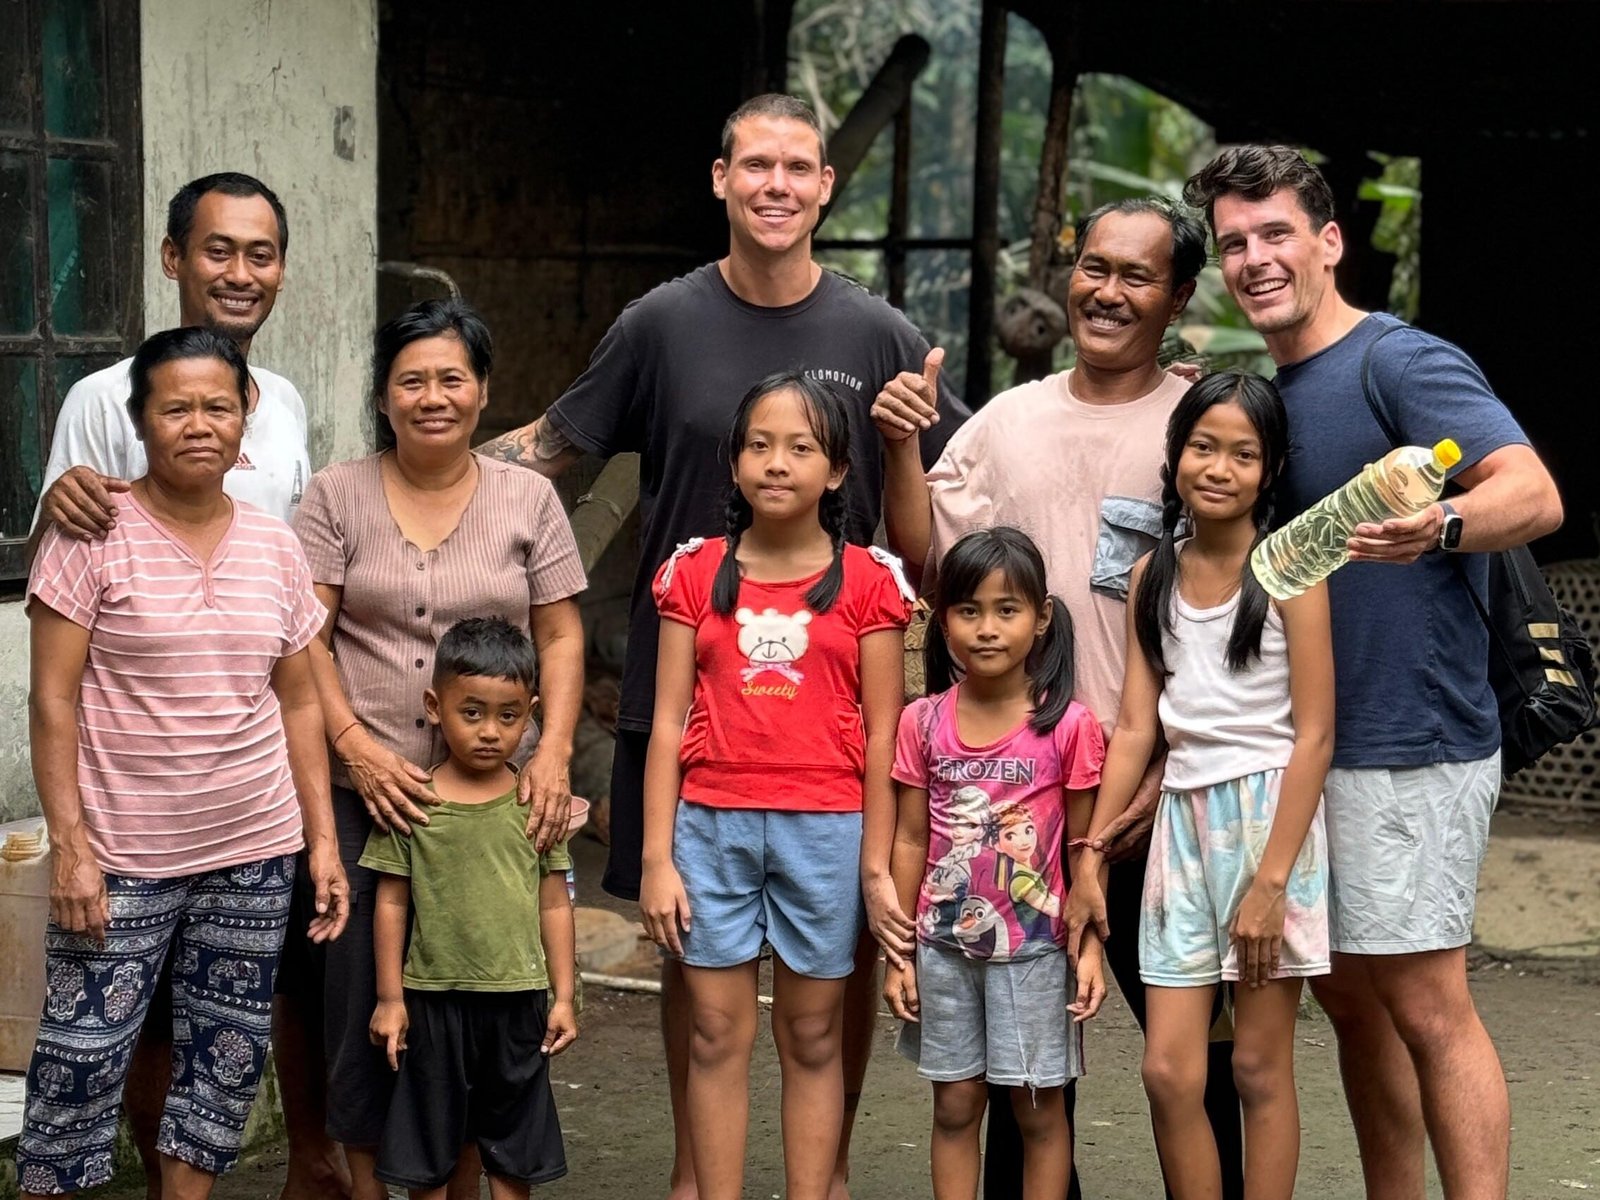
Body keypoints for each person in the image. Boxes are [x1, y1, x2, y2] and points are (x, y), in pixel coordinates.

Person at [476, 92, 964, 1199]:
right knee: (693, 964)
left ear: (826, 187)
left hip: (826, 719)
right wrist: (397, 474)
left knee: (821, 984)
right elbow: (555, 446)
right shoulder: (660, 322)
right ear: (720, 178)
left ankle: (820, 1175)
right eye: (757, 166)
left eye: (799, 167)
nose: (777, 185)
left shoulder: (878, 333)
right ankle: (700, 1179)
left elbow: (954, 491)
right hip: (683, 692)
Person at [1183, 145, 1564, 1200]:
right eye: (1234, 243)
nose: (1256, 258)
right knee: (1350, 998)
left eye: (1275, 234)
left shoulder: (1398, 360)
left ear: (1328, 241)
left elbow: (1532, 494)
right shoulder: (1274, 390)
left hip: (1412, 738)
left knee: (1428, 1002)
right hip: (1312, 747)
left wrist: (1440, 522)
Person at [871, 198, 1246, 1197]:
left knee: (1195, 1066)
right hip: (1020, 813)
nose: (1106, 291)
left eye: (1136, 275)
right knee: (1023, 1084)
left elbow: (1239, 601)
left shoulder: (1203, 426)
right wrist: (901, 444)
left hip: (1166, 798)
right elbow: (931, 559)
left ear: (1177, 298)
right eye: (1092, 267)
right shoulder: (1009, 421)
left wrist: (1166, 759)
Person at [24, 171, 344, 1200]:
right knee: (95, 1046)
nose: (239, 272)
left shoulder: (283, 406)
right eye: (217, 250)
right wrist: (69, 835)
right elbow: (57, 634)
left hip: (248, 825)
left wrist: (318, 828)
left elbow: (292, 651)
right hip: (127, 823)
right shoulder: (96, 402)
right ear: (173, 258)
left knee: (226, 1053)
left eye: (260, 253)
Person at [292, 299, 587, 1200]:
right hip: (368, 792)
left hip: (497, 796)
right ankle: (373, 1182)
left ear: (484, 391)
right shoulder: (336, 495)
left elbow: (563, 636)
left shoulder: (527, 497)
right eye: (411, 380)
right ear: (383, 396)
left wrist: (553, 752)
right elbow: (305, 636)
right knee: (362, 1004)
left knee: (479, 1003)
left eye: (451, 378)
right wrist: (352, 742)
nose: (433, 397)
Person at [637, 372, 912, 1200]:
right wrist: (656, 857)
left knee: (814, 1034)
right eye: (759, 444)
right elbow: (663, 725)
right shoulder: (693, 575)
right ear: (733, 462)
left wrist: (875, 867)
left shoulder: (870, 583)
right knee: (717, 1032)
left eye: (801, 448)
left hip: (827, 833)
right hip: (709, 828)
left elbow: (887, 739)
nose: (777, 462)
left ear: (836, 473)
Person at [1069, 373, 1334, 1198]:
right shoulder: (1152, 573)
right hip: (1181, 827)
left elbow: (1316, 734)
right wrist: (1091, 849)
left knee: (1256, 1068)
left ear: (1272, 467)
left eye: (1243, 454)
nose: (1218, 467)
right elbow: (1138, 727)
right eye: (1202, 446)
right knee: (1169, 1072)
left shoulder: (1293, 570)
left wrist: (1272, 883)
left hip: (1268, 826)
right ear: (1176, 453)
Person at [882, 527, 1107, 1200]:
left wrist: (1088, 949)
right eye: (968, 610)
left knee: (1038, 1110)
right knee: (954, 1107)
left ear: (1040, 618)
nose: (986, 628)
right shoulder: (921, 722)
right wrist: (899, 957)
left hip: (1036, 953)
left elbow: (1083, 854)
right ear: (943, 618)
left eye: (1006, 610)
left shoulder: (1068, 726)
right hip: (942, 951)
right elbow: (910, 840)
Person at [362, 618, 577, 1200]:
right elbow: (391, 901)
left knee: (513, 1149)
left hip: (519, 1003)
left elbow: (554, 902)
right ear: (435, 706)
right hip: (433, 1003)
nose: (489, 732)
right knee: (432, 1147)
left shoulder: (537, 807)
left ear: (530, 714)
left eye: (508, 716)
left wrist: (563, 995)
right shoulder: (415, 804)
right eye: (472, 712)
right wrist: (390, 999)